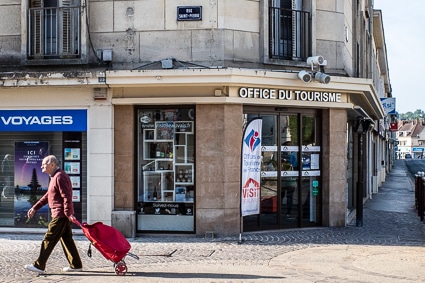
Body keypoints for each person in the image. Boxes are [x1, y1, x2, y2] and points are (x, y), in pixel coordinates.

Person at [24, 155, 83, 274]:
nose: (41, 166)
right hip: (61, 214)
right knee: (67, 239)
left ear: (52, 164)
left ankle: (39, 265)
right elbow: (48, 196)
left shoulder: (60, 176)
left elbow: (67, 197)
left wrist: (67, 213)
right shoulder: (54, 177)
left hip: (60, 215)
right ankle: (76, 265)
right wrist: (35, 207)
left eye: (44, 164)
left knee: (49, 238)